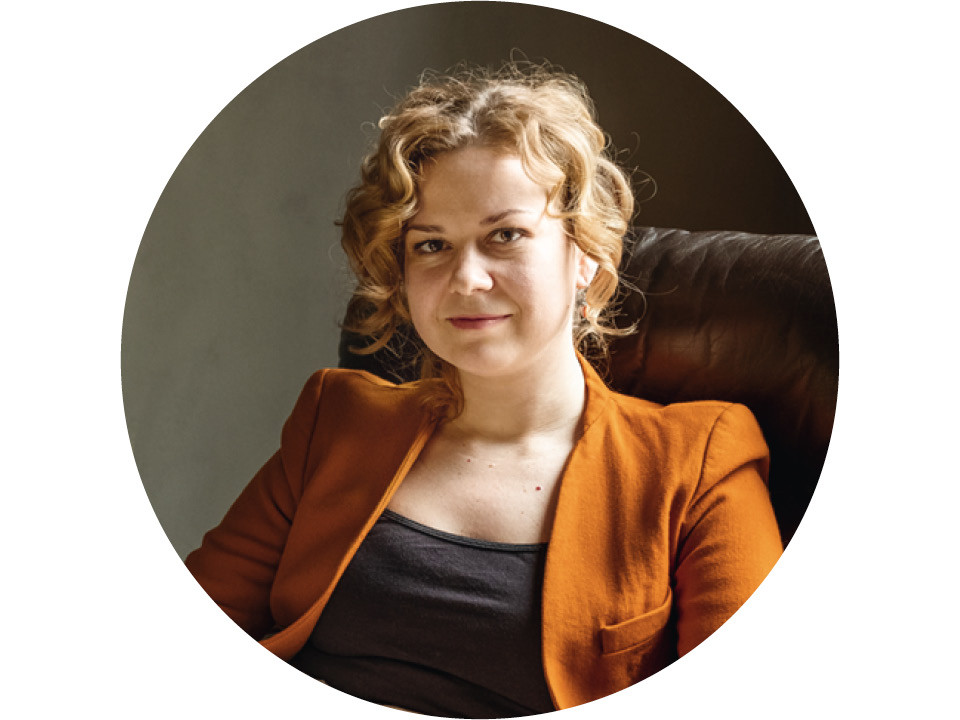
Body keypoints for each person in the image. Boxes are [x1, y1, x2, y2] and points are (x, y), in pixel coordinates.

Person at [186, 61, 783, 717]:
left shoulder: (698, 462)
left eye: (506, 235)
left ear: (585, 255)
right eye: (431, 245)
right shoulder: (337, 418)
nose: (466, 278)